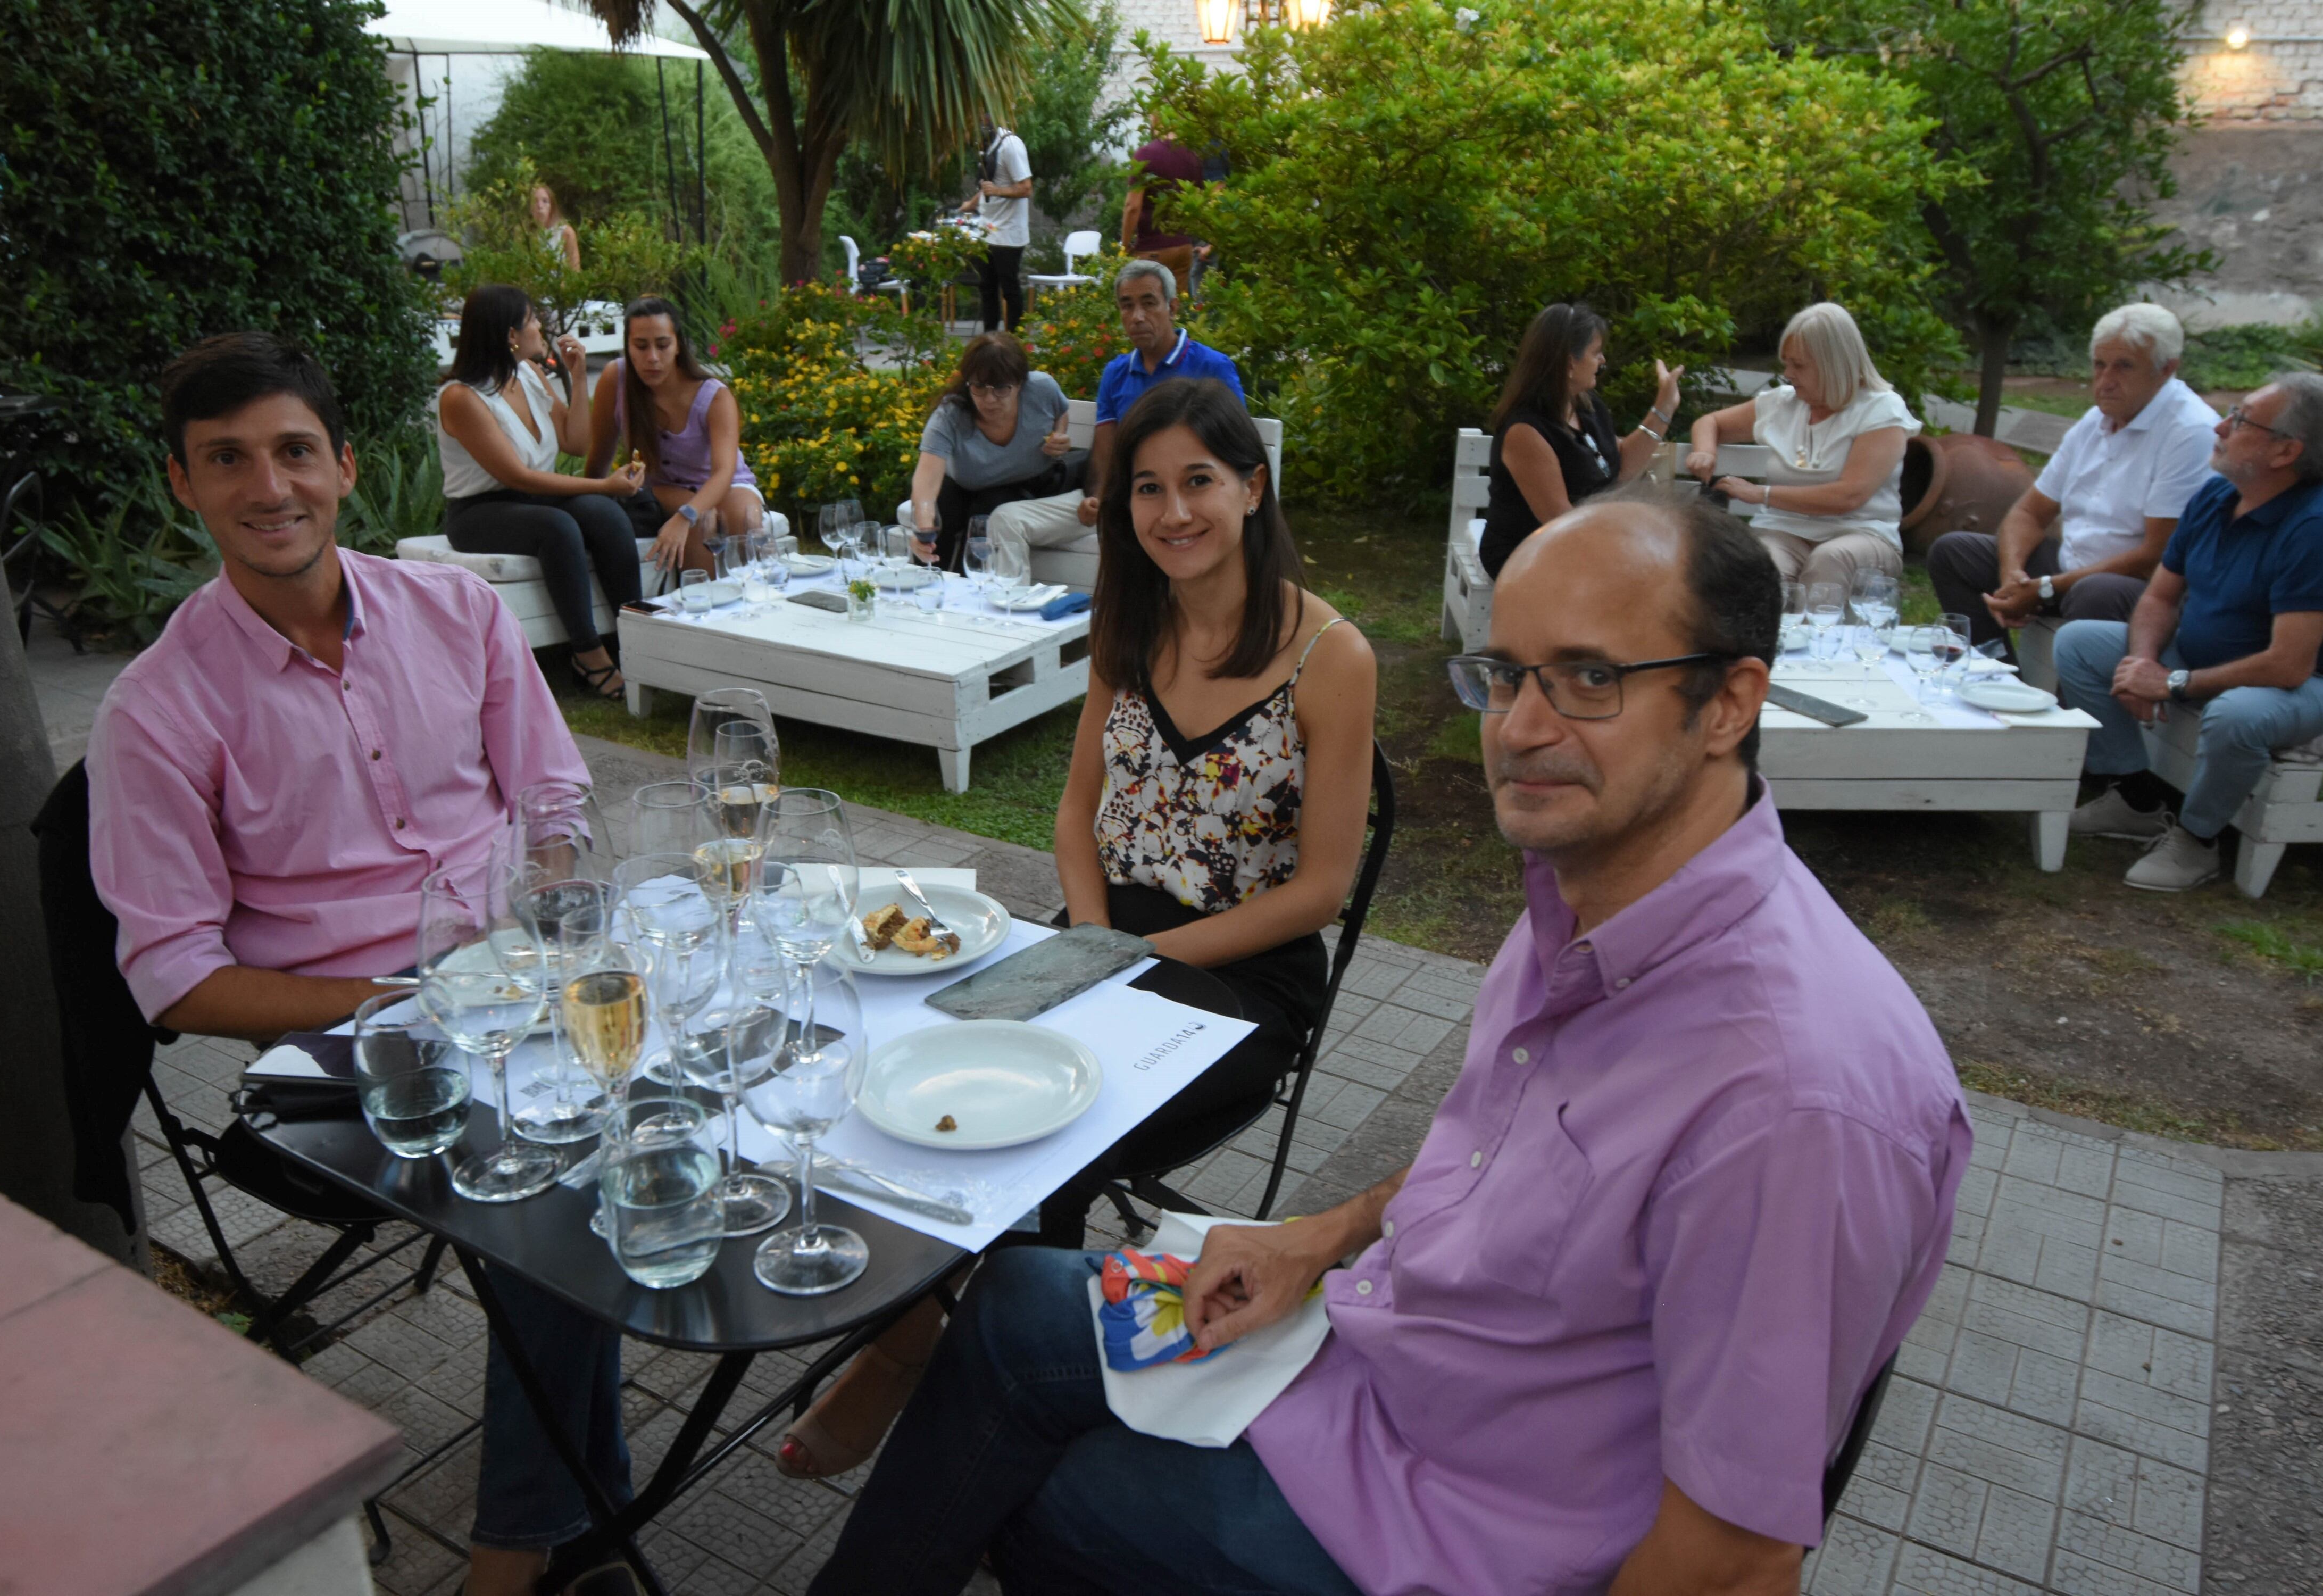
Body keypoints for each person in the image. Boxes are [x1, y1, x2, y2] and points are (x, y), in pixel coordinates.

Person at [805, 484, 1970, 1596]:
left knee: (1048, 1497)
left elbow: (1731, 1564)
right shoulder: (1587, 908)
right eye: (1507, 672)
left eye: (1591, 679)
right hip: (1382, 1367)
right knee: (1011, 1304)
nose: (1519, 728)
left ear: (1729, 701)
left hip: (1460, 1530)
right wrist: (1320, 1234)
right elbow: (1521, 1163)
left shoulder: (1792, 1097)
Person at [87, 333, 632, 1596]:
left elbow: (552, 793)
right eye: (227, 460)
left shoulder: (456, 613)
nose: (267, 486)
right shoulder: (157, 710)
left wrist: (547, 900)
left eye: (292, 451)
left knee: (715, 1068)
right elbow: (174, 977)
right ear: (183, 482)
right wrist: (410, 998)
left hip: (520, 984)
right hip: (346, 1054)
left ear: (343, 465)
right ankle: (517, 1558)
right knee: (562, 1184)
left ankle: (584, 1518)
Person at [776, 377, 1376, 1485]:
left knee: (1060, 1124)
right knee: (933, 1063)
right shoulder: (1131, 623)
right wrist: (1095, 939)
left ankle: (939, 1367)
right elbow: (1072, 815)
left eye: (1200, 481)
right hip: (1103, 937)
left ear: (1253, 487)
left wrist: (1139, 960)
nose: (1173, 511)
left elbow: (1321, 893)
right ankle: (962, 1350)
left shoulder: (1327, 656)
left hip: (1243, 975)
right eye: (1147, 488)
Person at [2054, 373, 2323, 891]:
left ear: (2285, 451)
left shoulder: (2316, 529)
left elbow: (2290, 664)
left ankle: (2198, 839)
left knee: (2237, 713)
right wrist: (2143, 663)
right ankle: (2136, 801)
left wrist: (2175, 683)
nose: (2221, 425)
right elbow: (2159, 595)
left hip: (2306, 683)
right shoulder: (2216, 495)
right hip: (2202, 658)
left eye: (2242, 419)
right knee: (2080, 643)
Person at [1929, 303, 2220, 653]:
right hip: (2071, 567)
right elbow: (2029, 514)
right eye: (2100, 364)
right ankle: (1992, 673)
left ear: (2166, 369)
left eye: (2124, 366)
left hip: (2139, 586)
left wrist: (2049, 586)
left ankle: (2070, 708)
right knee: (1954, 552)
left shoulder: (2190, 431)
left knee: (2094, 592)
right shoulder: (2096, 420)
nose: (2106, 381)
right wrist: (2013, 577)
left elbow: (2155, 555)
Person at [438, 284, 645, 701]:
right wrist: (604, 485)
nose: (540, 327)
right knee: (558, 527)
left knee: (604, 515)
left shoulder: (529, 374)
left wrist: (575, 373)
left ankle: (636, 639)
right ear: (510, 333)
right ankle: (588, 656)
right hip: (479, 512)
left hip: (529, 500)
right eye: (532, 318)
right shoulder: (461, 397)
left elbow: (575, 442)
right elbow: (519, 477)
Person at [985, 259, 1245, 582]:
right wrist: (1096, 497)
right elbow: (1105, 449)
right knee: (1006, 520)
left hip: (1180, 500)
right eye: (1127, 306)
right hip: (1119, 497)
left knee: (1130, 523)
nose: (1137, 317)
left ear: (1172, 307)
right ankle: (1014, 618)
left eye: (1149, 304)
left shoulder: (1212, 367)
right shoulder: (1117, 373)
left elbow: (1235, 447)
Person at [1686, 301, 1921, 589]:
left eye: (1798, 365)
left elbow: (1849, 496)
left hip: (1862, 534)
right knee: (1767, 566)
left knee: (1830, 560)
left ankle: (1822, 636)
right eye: (1786, 362)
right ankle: (1772, 636)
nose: (1788, 373)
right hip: (1783, 531)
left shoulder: (1882, 410)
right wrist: (1705, 451)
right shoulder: (1782, 403)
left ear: (1832, 365)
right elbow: (1710, 422)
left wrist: (1761, 494)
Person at [1477, 301, 1683, 577]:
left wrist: (1664, 408)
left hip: (1579, 543)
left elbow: (1620, 466)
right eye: (1596, 352)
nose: (1603, 361)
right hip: (1528, 555)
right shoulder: (1525, 432)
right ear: (1570, 363)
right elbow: (1561, 522)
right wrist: (1629, 534)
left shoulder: (1588, 406)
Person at [584, 294, 763, 579]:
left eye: (663, 345)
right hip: (662, 489)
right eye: (641, 346)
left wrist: (685, 515)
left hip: (724, 485)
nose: (652, 357)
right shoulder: (615, 379)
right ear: (627, 347)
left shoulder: (714, 395)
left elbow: (724, 472)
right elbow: (598, 463)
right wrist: (589, 506)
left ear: (678, 344)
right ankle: (701, 608)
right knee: (702, 522)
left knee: (744, 520)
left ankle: (752, 602)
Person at [905, 331, 1080, 570]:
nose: (989, 399)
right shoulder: (950, 415)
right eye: (978, 387)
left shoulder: (1042, 389)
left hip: (1028, 484)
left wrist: (1059, 434)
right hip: (966, 487)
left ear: (1020, 383)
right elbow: (926, 480)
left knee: (988, 511)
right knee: (942, 510)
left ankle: (972, 590)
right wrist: (922, 529)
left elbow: (1061, 412)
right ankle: (926, 583)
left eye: (1000, 388)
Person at [959, 117, 1032, 333]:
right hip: (987, 231)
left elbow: (1026, 189)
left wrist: (997, 192)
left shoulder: (1011, 145)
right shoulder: (986, 146)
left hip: (1009, 233)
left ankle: (1016, 341)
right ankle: (989, 340)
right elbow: (989, 185)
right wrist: (970, 205)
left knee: (1009, 289)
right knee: (987, 289)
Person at [1120, 121, 1205, 296]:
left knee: (1147, 309)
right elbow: (1199, 204)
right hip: (1183, 248)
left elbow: (1132, 207)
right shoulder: (1193, 157)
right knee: (1175, 310)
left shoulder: (1146, 154)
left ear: (1155, 120)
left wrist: (1126, 244)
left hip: (1152, 249)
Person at [531, 181, 580, 272]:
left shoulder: (566, 232)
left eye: (545, 201)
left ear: (552, 207)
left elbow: (575, 270)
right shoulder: (527, 234)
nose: (540, 206)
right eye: (535, 201)